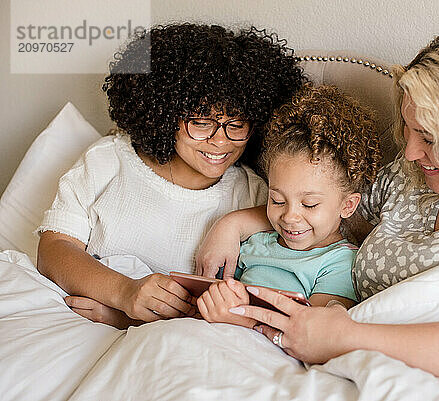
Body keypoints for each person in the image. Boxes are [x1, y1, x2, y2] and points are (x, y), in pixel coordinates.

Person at [196, 26, 439, 389]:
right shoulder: (409, 182)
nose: (409, 151)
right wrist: (232, 226)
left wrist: (344, 337)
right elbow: (321, 208)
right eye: (406, 130)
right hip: (344, 358)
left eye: (428, 137)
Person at [36, 23, 304, 329]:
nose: (220, 141)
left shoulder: (255, 196)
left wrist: (127, 319)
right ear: (164, 114)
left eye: (237, 124)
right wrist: (125, 293)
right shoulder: (108, 160)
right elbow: (53, 250)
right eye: (202, 123)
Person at [196, 84, 382, 329]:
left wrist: (244, 320)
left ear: (347, 206)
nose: (290, 216)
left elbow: (313, 333)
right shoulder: (258, 242)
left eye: (309, 204)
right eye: (277, 200)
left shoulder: (339, 263)